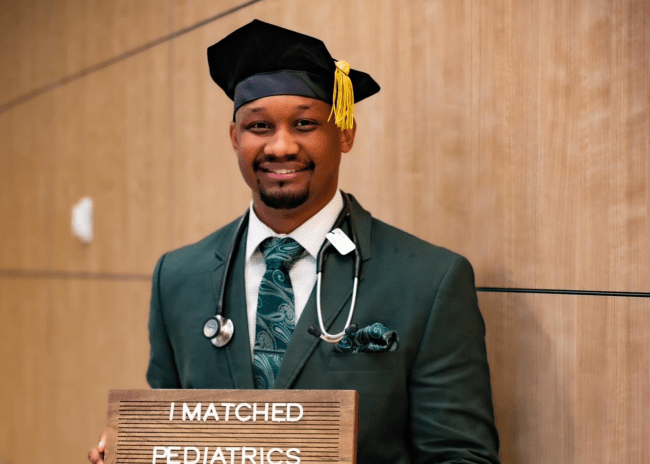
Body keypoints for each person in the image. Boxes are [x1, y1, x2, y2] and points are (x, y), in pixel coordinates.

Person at [89, 19, 499, 464]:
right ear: (235, 138)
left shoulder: (428, 280)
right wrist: (132, 453)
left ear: (345, 133)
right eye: (259, 126)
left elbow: (460, 455)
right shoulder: (178, 277)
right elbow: (170, 435)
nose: (281, 147)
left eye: (304, 123)